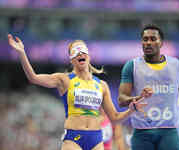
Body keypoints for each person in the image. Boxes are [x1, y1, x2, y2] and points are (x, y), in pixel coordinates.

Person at [8, 34, 153, 150]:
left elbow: (114, 117)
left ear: (88, 56)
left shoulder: (102, 85)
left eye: (83, 50)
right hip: (74, 138)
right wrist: (22, 53)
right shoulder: (64, 80)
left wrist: (131, 109)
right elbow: (33, 78)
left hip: (96, 139)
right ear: (71, 59)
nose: (80, 53)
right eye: (75, 52)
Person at [118, 24, 179, 150]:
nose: (148, 43)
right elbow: (121, 100)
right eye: (145, 39)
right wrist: (137, 97)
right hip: (142, 132)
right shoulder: (131, 66)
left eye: (153, 39)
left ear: (161, 43)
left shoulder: (177, 65)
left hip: (169, 132)